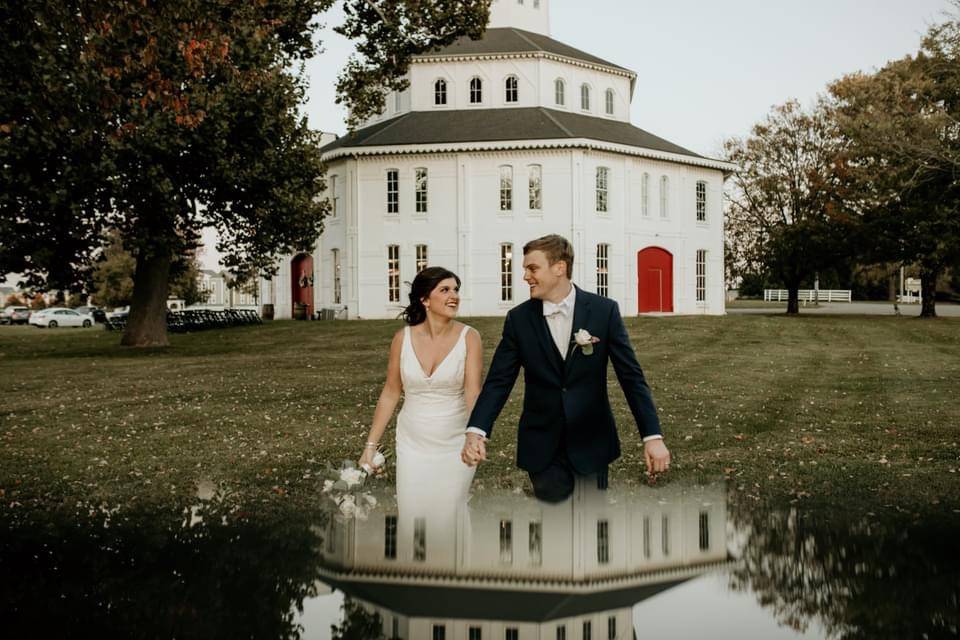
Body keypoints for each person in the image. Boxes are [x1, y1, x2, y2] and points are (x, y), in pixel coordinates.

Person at [461, 234, 670, 502]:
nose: (525, 276)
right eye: (525, 269)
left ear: (559, 268)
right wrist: (476, 431)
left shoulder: (603, 311)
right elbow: (498, 382)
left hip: (592, 442)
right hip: (542, 446)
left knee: (591, 530)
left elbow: (632, 378)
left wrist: (652, 436)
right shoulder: (519, 319)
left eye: (532, 268)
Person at [359, 267, 483, 528]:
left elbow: (473, 393)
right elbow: (391, 392)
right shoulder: (401, 339)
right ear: (425, 300)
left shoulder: (469, 337)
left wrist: (475, 437)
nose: (454, 296)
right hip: (412, 443)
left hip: (455, 443)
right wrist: (370, 446)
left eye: (456, 289)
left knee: (449, 514)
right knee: (413, 516)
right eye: (445, 290)